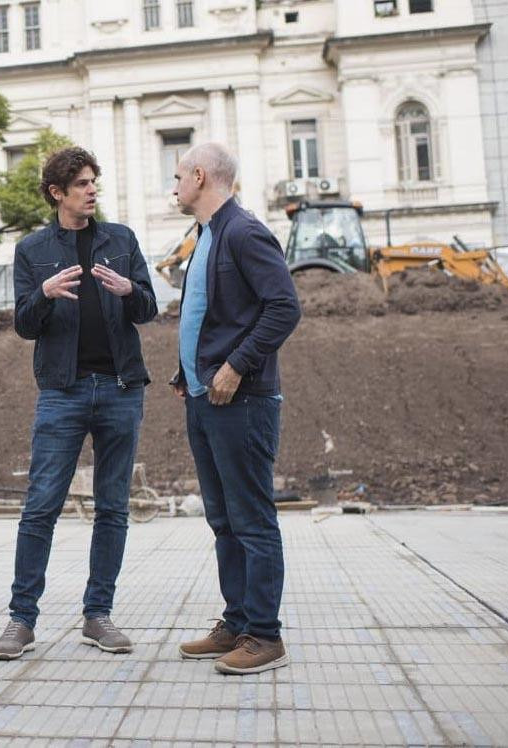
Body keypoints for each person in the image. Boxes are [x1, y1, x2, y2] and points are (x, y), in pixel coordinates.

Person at [0, 147, 158, 660]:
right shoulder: (32, 249)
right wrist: (41, 292)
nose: (91, 190)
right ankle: (21, 620)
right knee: (41, 507)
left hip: (120, 390)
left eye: (93, 182)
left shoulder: (121, 240)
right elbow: (24, 324)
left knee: (113, 508)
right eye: (81, 184)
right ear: (56, 193)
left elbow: (148, 309)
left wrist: (130, 289)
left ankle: (98, 615)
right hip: (61, 393)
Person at [170, 142, 301, 674]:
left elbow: (284, 306)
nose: (173, 186)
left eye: (178, 176)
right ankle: (238, 622)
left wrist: (235, 366)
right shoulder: (206, 235)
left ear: (200, 176)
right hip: (205, 399)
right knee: (224, 519)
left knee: (251, 518)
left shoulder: (243, 231)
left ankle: (265, 636)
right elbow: (210, 313)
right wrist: (189, 370)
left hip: (240, 398)